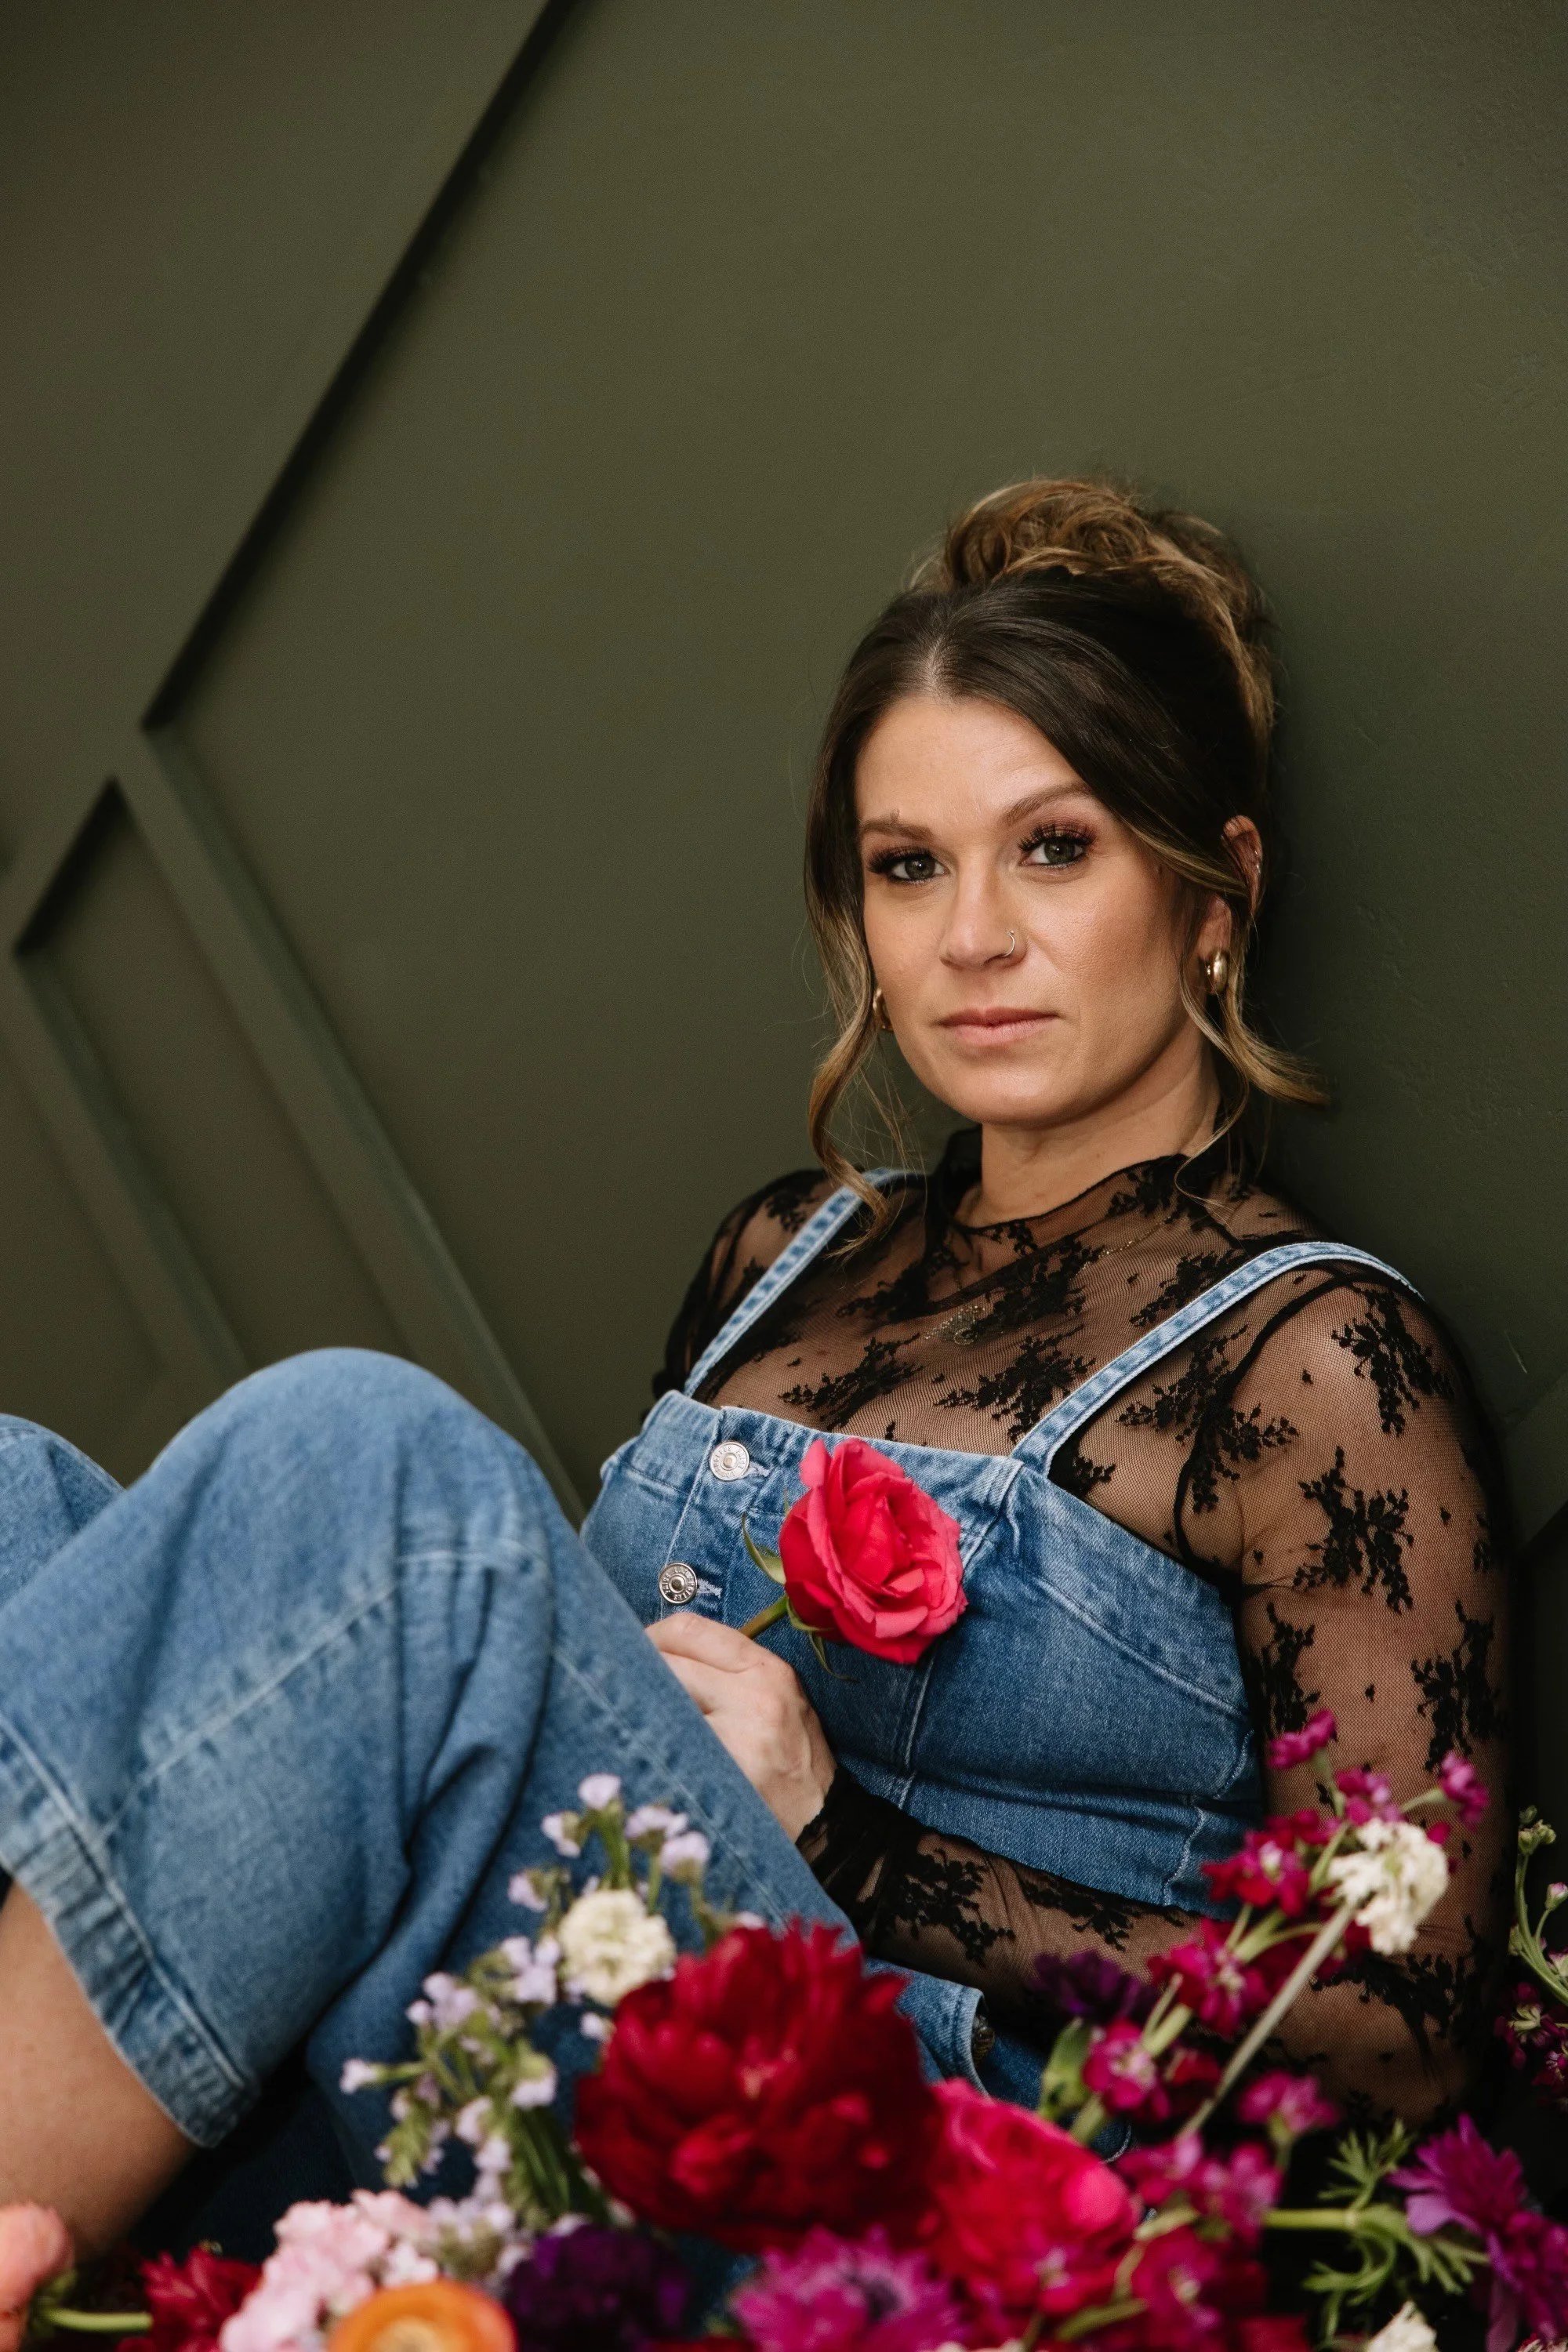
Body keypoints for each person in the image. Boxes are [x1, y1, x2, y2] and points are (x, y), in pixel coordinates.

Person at [0, 478, 1508, 2259]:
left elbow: (1400, 2026)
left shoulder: (1314, 1361)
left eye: (1054, 848)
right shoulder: (784, 1256)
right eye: (906, 865)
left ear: (1212, 892)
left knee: (373, 1466)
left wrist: (849, 1838)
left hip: (901, 2161)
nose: (970, 940)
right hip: (556, 2047)